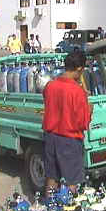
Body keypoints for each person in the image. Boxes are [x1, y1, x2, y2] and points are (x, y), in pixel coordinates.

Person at [42, 51, 92, 197]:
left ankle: (49, 208)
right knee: (72, 182)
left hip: (51, 137)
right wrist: (89, 109)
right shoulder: (77, 91)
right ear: (79, 69)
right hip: (69, 140)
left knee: (52, 177)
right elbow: (82, 123)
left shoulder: (50, 86)